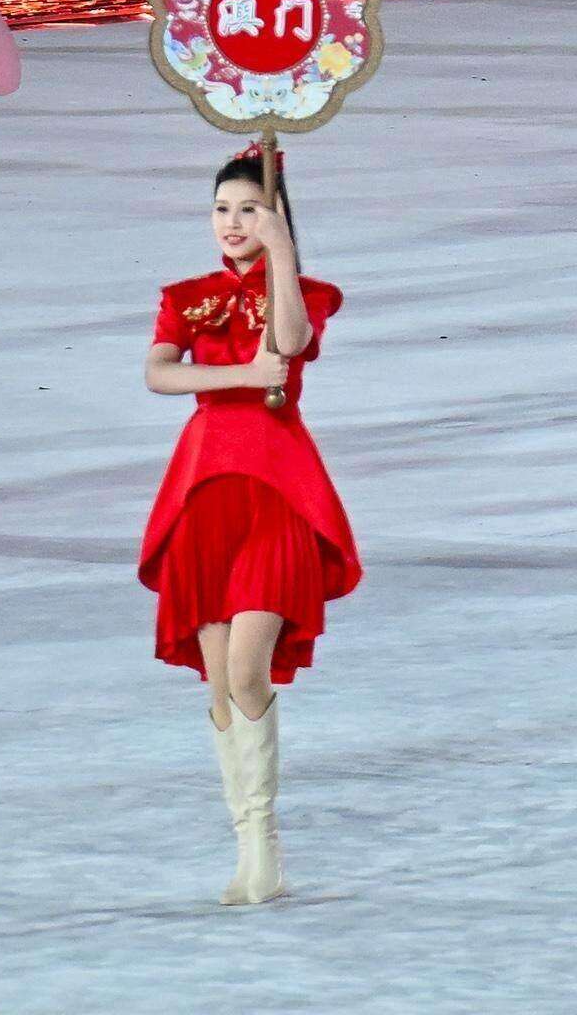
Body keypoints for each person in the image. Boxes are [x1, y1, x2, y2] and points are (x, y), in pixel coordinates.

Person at [141, 150, 354, 909]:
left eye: (249, 210)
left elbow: (289, 343)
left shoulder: (305, 294)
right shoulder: (187, 298)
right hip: (203, 490)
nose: (232, 224)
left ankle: (264, 838)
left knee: (245, 669)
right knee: (219, 681)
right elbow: (159, 373)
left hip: (277, 489)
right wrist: (239, 375)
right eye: (222, 210)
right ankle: (252, 849)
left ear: (277, 216)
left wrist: (283, 255)